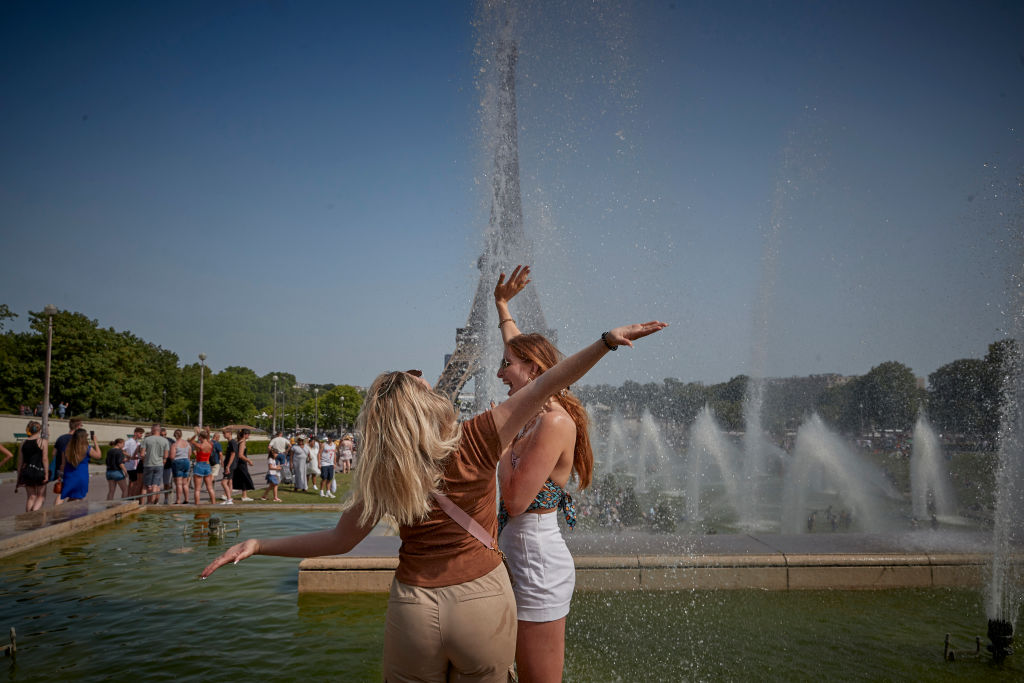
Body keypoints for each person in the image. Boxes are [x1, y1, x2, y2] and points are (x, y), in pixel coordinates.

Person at [201, 309, 667, 682]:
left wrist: (259, 544)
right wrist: (606, 341)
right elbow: (548, 379)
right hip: (482, 601)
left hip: (415, 608)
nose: (426, 375)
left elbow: (339, 542)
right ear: (425, 404)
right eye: (420, 381)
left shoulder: (385, 471)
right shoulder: (478, 438)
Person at [492, 264, 597, 682]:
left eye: (506, 365)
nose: (500, 373)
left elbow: (516, 501)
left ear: (534, 370)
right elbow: (517, 347)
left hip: (536, 564)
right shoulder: (536, 412)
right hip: (516, 555)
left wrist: (496, 441)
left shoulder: (553, 422)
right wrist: (502, 304)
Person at [56, 428, 100, 505]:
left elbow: (63, 464)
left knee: (62, 495)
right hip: (81, 476)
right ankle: (72, 514)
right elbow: (98, 456)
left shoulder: (66, 448)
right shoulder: (87, 448)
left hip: (69, 475)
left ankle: (55, 511)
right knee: (78, 497)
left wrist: (60, 475)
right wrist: (95, 442)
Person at [14, 421, 48, 511]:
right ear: (39, 430)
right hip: (39, 471)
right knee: (41, 496)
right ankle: (34, 513)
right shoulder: (42, 442)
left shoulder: (23, 443)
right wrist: (47, 474)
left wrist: (19, 477)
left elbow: (20, 462)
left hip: (27, 472)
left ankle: (28, 517)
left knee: (31, 497)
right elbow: (45, 459)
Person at [139, 424, 170, 505]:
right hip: (159, 465)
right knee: (155, 485)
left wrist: (144, 460)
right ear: (159, 431)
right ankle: (151, 503)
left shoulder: (146, 439)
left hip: (148, 464)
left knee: (145, 486)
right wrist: (163, 461)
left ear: (152, 430)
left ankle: (142, 504)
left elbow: (142, 454)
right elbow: (166, 456)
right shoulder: (165, 441)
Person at [189, 430, 218, 505]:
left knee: (197, 489)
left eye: (199, 437)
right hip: (207, 465)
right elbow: (207, 439)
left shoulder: (200, 446)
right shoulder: (210, 444)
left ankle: (197, 505)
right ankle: (214, 503)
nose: (198, 438)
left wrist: (195, 434)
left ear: (201, 437)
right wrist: (206, 432)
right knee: (210, 488)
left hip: (199, 465)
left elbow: (190, 441)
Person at [231, 429, 255, 502]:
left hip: (239, 463)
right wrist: (249, 460)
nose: (249, 436)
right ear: (245, 435)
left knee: (240, 479)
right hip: (241, 463)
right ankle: (244, 496)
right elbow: (240, 455)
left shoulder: (238, 441)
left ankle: (244, 495)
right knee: (244, 478)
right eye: (248, 434)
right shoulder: (242, 442)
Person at [124, 427, 145, 499]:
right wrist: (129, 456)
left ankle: (132, 496)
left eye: (142, 434)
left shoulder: (138, 442)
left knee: (135, 482)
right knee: (132, 481)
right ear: (135, 433)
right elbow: (121, 449)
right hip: (130, 464)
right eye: (140, 433)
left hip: (137, 464)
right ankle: (130, 496)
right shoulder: (129, 441)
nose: (141, 435)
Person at [220, 429, 237, 504]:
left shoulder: (232, 442)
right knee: (230, 482)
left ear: (229, 433)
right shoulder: (230, 442)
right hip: (229, 465)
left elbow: (233, 454)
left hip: (230, 465)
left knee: (223, 482)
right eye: (223, 433)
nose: (223, 435)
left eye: (224, 433)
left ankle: (229, 499)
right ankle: (229, 499)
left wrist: (228, 466)